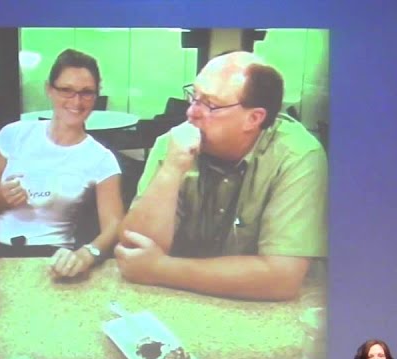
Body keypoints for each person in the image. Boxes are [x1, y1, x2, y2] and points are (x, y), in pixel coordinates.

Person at [116, 51, 327, 300]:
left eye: (210, 105)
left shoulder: (298, 156)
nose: (191, 112)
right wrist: (172, 169)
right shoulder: (173, 144)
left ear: (253, 118)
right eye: (194, 96)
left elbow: (282, 277)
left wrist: (162, 269)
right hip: (174, 302)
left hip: (262, 314)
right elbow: (133, 251)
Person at [0, 49, 124, 280]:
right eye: (66, 90)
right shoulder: (14, 135)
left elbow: (115, 226)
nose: (76, 101)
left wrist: (86, 255)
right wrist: (1, 198)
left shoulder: (101, 158)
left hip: (52, 258)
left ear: (96, 95)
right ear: (49, 89)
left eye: (86, 92)